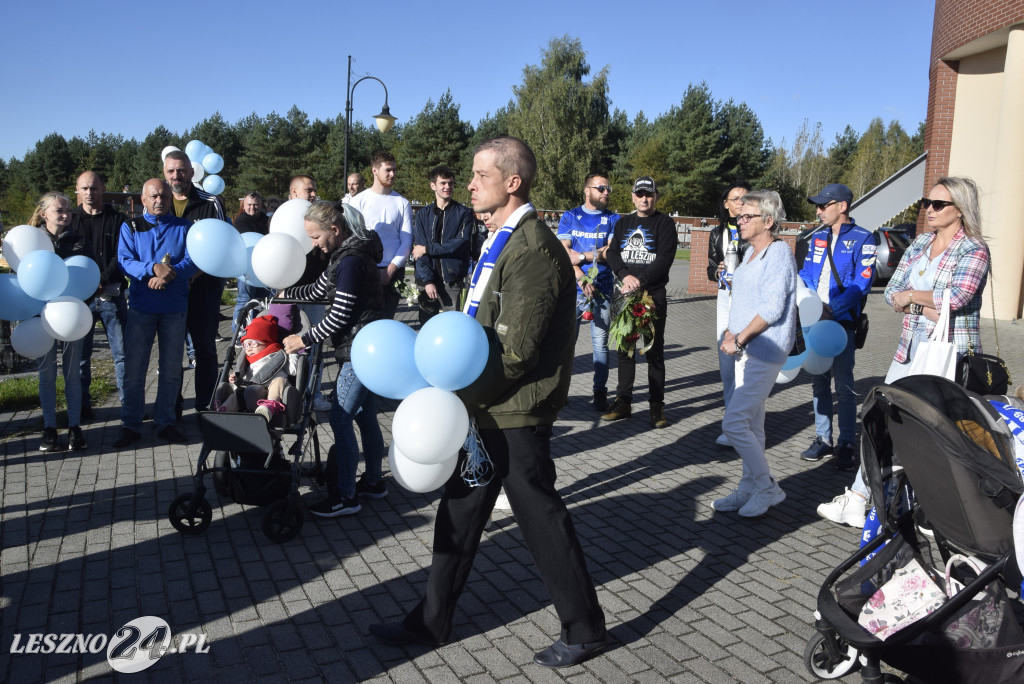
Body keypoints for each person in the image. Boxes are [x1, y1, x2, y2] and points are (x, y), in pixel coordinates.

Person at [369, 136, 608, 669]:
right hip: (485, 408)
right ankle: (432, 619)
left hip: (515, 411)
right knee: (459, 511)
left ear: (512, 182)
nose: (470, 183)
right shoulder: (502, 238)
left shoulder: (533, 248)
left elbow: (517, 350)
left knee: (540, 516)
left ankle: (586, 628)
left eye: (480, 175)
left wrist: (453, 396)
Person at [817, 176, 991, 528]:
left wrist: (912, 297)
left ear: (960, 210)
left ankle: (937, 511)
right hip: (909, 351)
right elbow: (891, 292)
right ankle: (858, 498)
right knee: (880, 420)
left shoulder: (973, 249)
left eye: (938, 204)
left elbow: (957, 298)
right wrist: (921, 303)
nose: (929, 209)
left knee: (938, 436)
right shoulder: (920, 243)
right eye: (927, 202)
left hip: (949, 355)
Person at [282, 202, 387, 516]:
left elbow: (340, 315)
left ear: (335, 230)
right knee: (365, 415)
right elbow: (318, 290)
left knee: (341, 418)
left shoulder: (351, 261)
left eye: (316, 237)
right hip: (363, 345)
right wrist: (287, 294)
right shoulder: (344, 256)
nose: (314, 244)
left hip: (359, 347)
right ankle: (373, 482)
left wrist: (304, 338)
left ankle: (346, 495)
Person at [712, 190, 797, 518]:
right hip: (746, 349)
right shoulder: (749, 253)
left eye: (748, 216)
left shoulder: (778, 254)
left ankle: (766, 486)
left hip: (764, 350)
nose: (740, 220)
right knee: (754, 426)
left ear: (769, 221)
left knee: (733, 423)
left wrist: (740, 337)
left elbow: (772, 308)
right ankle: (748, 486)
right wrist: (732, 332)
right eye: (739, 215)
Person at [797, 183, 876, 470]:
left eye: (823, 205)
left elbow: (860, 284)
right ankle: (822, 439)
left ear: (842, 206)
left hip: (841, 323)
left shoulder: (864, 239)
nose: (818, 211)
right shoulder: (817, 238)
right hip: (814, 319)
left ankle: (846, 443)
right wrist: (809, 303)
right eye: (817, 206)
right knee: (818, 382)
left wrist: (833, 310)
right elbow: (806, 272)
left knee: (843, 385)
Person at [113, 179, 198, 448]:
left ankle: (166, 422)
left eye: (163, 195)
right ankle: (131, 423)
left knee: (172, 370)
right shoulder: (131, 227)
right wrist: (152, 269)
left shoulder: (185, 228)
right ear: (143, 199)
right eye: (153, 196)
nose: (159, 200)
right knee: (135, 370)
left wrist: (167, 276)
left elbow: (193, 259)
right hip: (141, 309)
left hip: (174, 308)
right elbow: (126, 261)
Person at [602, 176, 677, 429]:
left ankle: (656, 407)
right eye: (640, 194)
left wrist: (639, 280)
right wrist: (626, 276)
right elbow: (611, 252)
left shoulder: (665, 223)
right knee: (625, 350)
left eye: (649, 194)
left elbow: (665, 258)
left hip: (652, 296)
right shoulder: (623, 223)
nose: (644, 199)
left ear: (656, 196)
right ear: (633, 196)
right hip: (623, 294)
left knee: (654, 352)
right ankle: (623, 402)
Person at [163, 149, 227, 412]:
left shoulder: (211, 202)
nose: (176, 175)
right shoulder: (157, 201)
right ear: (164, 174)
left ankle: (205, 407)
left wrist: (189, 276)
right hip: (168, 292)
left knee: (205, 351)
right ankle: (171, 407)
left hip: (202, 289)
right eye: (170, 171)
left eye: (181, 170)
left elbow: (221, 244)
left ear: (192, 172)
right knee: (171, 354)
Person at [30, 192, 93, 452]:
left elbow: (88, 271)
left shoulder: (79, 240)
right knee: (46, 376)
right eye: (60, 211)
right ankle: (49, 429)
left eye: (68, 210)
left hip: (71, 315)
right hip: (39, 316)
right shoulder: (31, 241)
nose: (66, 215)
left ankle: (75, 428)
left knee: (72, 375)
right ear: (44, 214)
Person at [558, 172, 620, 411]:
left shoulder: (613, 219)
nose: (606, 193)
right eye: (601, 188)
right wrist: (582, 277)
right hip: (572, 289)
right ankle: (560, 391)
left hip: (602, 289)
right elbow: (564, 252)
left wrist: (584, 256)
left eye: (608, 189)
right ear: (587, 190)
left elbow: (610, 252)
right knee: (565, 345)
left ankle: (600, 392)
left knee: (601, 345)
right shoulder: (570, 216)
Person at [70, 171, 127, 418]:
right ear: (77, 190)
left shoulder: (118, 219)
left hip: (111, 294)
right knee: (80, 357)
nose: (89, 193)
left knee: (122, 355)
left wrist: (100, 281)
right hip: (79, 299)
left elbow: (122, 254)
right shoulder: (70, 220)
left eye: (94, 188)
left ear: (103, 189)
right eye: (84, 188)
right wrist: (87, 284)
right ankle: (83, 407)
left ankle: (129, 405)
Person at [707, 181, 751, 446]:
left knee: (746, 364)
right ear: (726, 204)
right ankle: (731, 426)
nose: (740, 203)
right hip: (726, 298)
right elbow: (711, 266)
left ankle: (746, 426)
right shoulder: (717, 233)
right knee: (726, 362)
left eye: (745, 198)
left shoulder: (755, 228)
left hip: (749, 300)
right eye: (735, 199)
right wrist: (719, 270)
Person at [350, 151, 413, 319]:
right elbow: (353, 238)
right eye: (388, 170)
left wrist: (390, 270)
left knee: (387, 321)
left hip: (393, 272)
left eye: (394, 170)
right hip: (365, 270)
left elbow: (406, 241)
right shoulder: (358, 201)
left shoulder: (402, 203)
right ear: (374, 170)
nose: (392, 174)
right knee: (363, 320)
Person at [412, 165, 475, 325]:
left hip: (452, 278)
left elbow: (459, 244)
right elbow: (419, 251)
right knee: (427, 323)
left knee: (452, 324)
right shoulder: (422, 215)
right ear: (433, 186)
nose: (448, 187)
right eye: (443, 183)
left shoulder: (464, 213)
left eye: (451, 183)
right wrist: (427, 281)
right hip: (427, 279)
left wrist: (428, 249)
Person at [212, 314, 295, 423]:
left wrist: (293, 352)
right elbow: (244, 376)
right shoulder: (247, 360)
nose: (248, 348)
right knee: (235, 394)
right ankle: (223, 411)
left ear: (266, 342)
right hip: (250, 392)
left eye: (252, 344)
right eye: (245, 345)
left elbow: (293, 370)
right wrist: (234, 377)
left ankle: (269, 406)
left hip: (269, 391)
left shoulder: (278, 356)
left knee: (280, 380)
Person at [232, 191, 271, 335]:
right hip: (246, 267)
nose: (252, 208)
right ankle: (238, 333)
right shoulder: (241, 220)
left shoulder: (266, 220)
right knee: (245, 299)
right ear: (244, 205)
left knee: (261, 301)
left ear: (261, 205)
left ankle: (255, 332)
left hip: (263, 266)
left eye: (255, 205)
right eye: (249, 205)